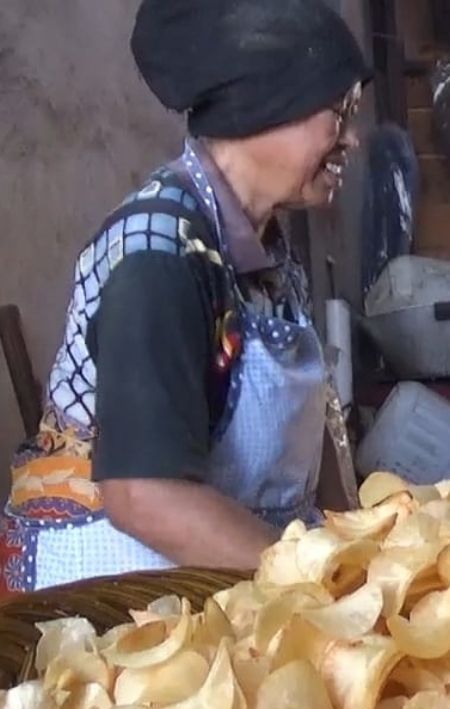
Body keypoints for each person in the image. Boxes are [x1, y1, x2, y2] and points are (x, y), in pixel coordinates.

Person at [0, 0, 372, 593]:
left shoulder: (264, 244)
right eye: (339, 112)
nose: (351, 138)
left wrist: (353, 546)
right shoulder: (159, 253)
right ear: (265, 107)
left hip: (226, 577)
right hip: (114, 598)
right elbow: (143, 494)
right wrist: (314, 586)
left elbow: (312, 430)